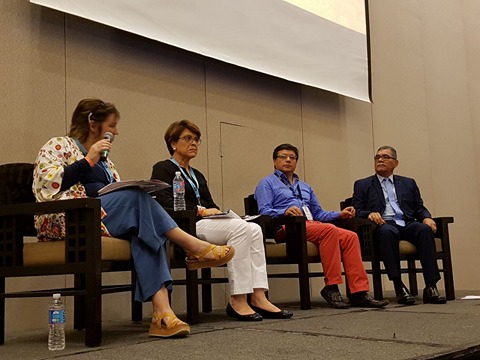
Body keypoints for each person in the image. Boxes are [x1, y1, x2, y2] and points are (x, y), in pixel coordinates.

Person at [32, 99, 235, 338]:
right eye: (112, 125)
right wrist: (88, 161)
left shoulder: (106, 161)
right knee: (137, 201)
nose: (116, 132)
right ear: (92, 123)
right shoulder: (59, 145)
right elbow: (46, 184)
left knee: (146, 231)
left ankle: (162, 314)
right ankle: (193, 247)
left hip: (106, 217)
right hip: (72, 218)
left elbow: (113, 190)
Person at [151, 120, 293, 321]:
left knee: (254, 229)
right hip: (186, 226)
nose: (194, 143)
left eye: (197, 140)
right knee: (241, 229)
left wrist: (216, 211)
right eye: (188, 138)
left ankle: (259, 295)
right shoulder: (163, 168)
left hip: (206, 222)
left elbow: (210, 202)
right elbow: (164, 202)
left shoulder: (197, 174)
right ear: (173, 143)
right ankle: (238, 299)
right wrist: (201, 211)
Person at [255, 144, 388, 309]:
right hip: (287, 228)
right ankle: (331, 287)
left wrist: (339, 214)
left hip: (312, 225)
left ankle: (358, 292)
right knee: (329, 230)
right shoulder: (267, 183)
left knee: (350, 236)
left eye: (292, 157)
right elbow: (264, 212)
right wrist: (285, 211)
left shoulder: (304, 186)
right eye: (283, 156)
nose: (288, 160)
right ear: (275, 161)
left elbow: (318, 214)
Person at [352, 145, 446, 305]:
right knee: (387, 232)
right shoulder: (363, 184)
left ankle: (431, 286)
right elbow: (356, 210)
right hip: (383, 224)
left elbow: (418, 207)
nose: (380, 160)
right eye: (377, 157)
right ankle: (398, 285)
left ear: (396, 162)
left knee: (424, 229)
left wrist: (427, 217)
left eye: (385, 157)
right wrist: (369, 214)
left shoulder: (408, 183)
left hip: (407, 223)